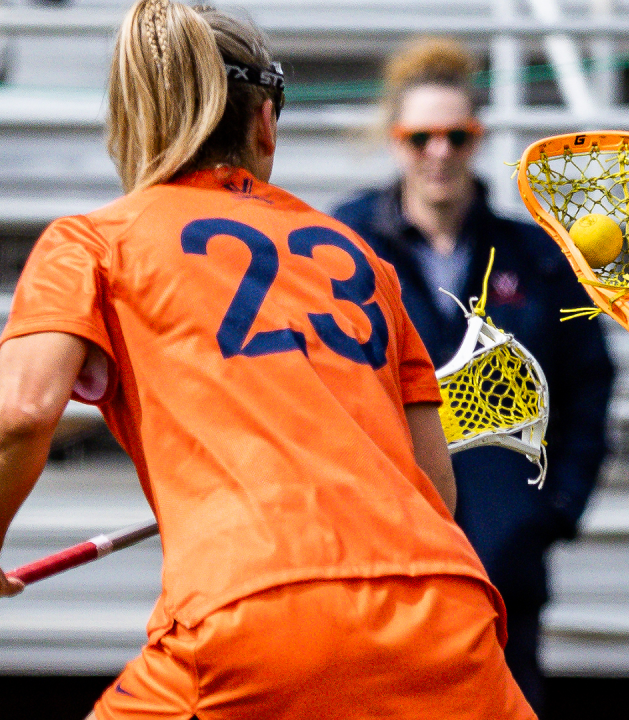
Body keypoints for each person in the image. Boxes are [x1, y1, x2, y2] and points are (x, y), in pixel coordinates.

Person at [0, 2, 535, 719]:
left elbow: (22, 414)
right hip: (444, 610)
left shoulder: (92, 243)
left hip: (250, 609)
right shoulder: (361, 258)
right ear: (264, 121)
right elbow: (433, 485)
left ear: (132, 120)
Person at [331, 37, 615, 712]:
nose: (438, 153)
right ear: (396, 140)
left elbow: (588, 385)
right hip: (379, 568)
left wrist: (551, 511)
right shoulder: (341, 247)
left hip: (505, 566)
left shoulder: (535, 255)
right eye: (420, 136)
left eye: (456, 136)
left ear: (476, 139)